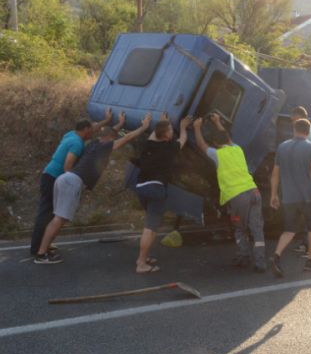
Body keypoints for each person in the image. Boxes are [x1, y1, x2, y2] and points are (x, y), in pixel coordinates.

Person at [34, 113, 152, 264]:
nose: (115, 140)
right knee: (59, 218)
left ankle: (45, 248)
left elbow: (107, 132)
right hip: (72, 181)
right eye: (113, 138)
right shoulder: (105, 146)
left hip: (64, 179)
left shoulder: (93, 143)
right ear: (110, 138)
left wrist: (120, 123)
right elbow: (126, 138)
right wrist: (143, 127)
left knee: (58, 218)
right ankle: (41, 254)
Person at [30, 108, 116, 256]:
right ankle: (37, 248)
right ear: (86, 130)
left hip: (49, 174)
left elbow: (93, 128)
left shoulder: (71, 134)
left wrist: (106, 121)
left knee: (52, 213)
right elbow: (67, 166)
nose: (93, 132)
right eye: (91, 130)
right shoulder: (77, 144)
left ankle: (44, 245)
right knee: (47, 213)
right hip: (54, 177)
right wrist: (70, 183)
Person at [193, 113, 268, 273]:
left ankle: (244, 256)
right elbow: (227, 138)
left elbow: (201, 145)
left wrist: (197, 127)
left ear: (215, 143)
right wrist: (217, 122)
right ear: (227, 140)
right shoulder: (237, 149)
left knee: (240, 228)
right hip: (254, 192)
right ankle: (260, 262)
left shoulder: (217, 155)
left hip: (238, 197)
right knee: (257, 229)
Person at [269, 118, 311, 276]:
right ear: (308, 131)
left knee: (289, 230)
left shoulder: (282, 147)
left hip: (289, 198)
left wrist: (273, 195)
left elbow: (275, 174)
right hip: (308, 197)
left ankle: (276, 256)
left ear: (294, 130)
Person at [133, 113, 192, 274]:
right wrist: (183, 127)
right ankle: (141, 263)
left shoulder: (149, 144)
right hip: (156, 189)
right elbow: (183, 139)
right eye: (170, 130)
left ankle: (144, 257)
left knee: (152, 224)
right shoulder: (170, 148)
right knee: (150, 227)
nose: (173, 132)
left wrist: (162, 122)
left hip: (141, 187)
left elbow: (155, 134)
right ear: (166, 135)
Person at [290, 106, 311, 256]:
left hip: (308, 180)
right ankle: (307, 244)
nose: (293, 123)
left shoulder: (307, 135)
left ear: (299, 118)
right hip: (309, 178)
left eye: (294, 120)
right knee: (310, 214)